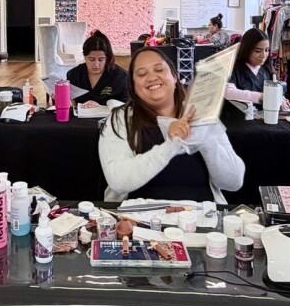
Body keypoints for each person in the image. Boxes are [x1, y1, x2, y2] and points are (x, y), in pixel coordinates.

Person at [99, 47, 245, 203]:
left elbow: (233, 182)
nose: (151, 77)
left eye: (159, 69)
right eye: (141, 74)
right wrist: (170, 145)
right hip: (138, 215)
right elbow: (118, 181)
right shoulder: (120, 120)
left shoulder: (202, 114)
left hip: (202, 214)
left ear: (175, 76)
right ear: (133, 86)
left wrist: (203, 135)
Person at [66, 30, 130, 107]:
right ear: (85, 57)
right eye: (91, 59)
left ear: (107, 58)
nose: (96, 64)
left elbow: (128, 105)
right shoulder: (74, 75)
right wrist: (67, 101)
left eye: (101, 59)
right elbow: (71, 101)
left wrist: (101, 106)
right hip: (80, 114)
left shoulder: (121, 77)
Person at [225, 28, 277, 105]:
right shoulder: (233, 68)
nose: (263, 55)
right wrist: (261, 97)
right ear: (247, 50)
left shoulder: (267, 69)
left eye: (266, 50)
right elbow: (228, 92)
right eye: (258, 51)